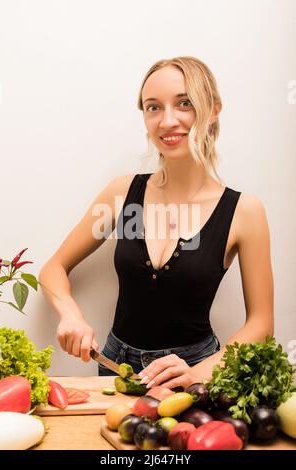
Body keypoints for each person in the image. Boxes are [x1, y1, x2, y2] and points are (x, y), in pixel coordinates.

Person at [39, 56, 274, 389]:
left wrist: (197, 373)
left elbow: (261, 326)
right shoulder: (122, 193)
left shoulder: (244, 212)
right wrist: (70, 313)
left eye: (184, 104)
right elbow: (53, 269)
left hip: (195, 372)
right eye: (153, 107)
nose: (167, 121)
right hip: (115, 368)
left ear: (214, 111)